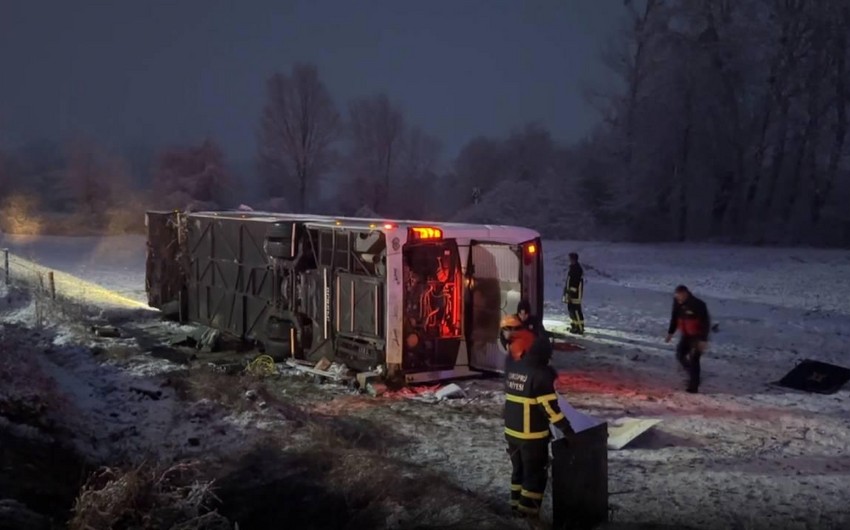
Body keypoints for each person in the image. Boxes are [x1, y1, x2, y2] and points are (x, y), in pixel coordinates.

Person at [501, 318, 575, 519]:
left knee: (518, 472)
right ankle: (527, 516)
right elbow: (549, 409)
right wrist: (567, 430)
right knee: (534, 476)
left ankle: (515, 508)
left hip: (511, 433)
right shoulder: (540, 375)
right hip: (531, 436)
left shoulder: (515, 370)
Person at [666, 285, 711, 393]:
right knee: (680, 355)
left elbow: (705, 323)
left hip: (697, 336)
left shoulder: (698, 304)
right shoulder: (677, 303)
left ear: (685, 294)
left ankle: (693, 386)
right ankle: (693, 375)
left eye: (680, 297)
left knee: (694, 359)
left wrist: (703, 339)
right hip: (686, 335)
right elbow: (674, 317)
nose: (678, 299)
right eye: (677, 297)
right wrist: (670, 332)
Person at [562, 252, 585, 335]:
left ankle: (580, 327)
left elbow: (575, 282)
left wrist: (571, 292)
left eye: (570, 258)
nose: (569, 260)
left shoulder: (577, 269)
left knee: (576, 310)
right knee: (571, 309)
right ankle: (575, 325)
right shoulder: (573, 268)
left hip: (575, 294)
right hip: (571, 293)